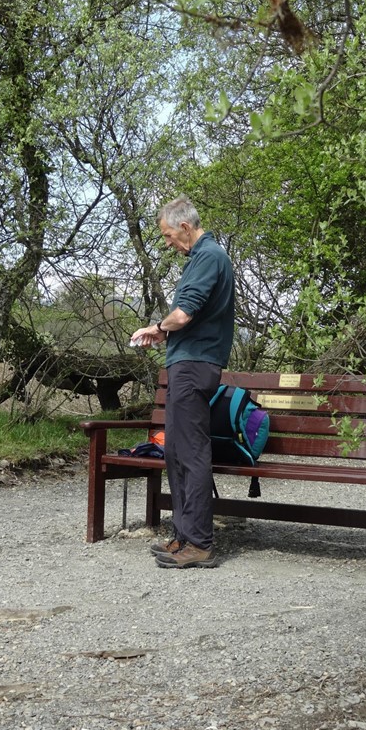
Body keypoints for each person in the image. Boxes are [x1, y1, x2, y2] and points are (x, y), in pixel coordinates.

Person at [130, 196, 235, 569]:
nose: (168, 243)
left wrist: (156, 327)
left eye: (169, 235)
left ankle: (200, 544)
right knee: (175, 452)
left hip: (194, 366)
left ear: (186, 228)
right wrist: (163, 335)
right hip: (185, 363)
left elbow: (185, 313)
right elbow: (189, 316)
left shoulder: (209, 257)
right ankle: (185, 535)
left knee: (190, 453)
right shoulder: (200, 258)